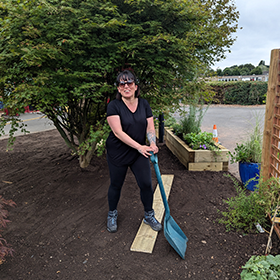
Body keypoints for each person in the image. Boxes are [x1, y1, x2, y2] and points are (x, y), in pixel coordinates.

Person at [105, 70, 162, 233]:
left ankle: (148, 215)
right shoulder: (113, 106)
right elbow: (118, 132)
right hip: (118, 152)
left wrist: (152, 142)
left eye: (130, 82)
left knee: (146, 184)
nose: (126, 86)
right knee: (116, 184)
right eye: (122, 83)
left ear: (136, 86)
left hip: (139, 152)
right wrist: (140, 146)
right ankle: (112, 214)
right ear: (118, 88)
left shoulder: (144, 104)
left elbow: (150, 127)